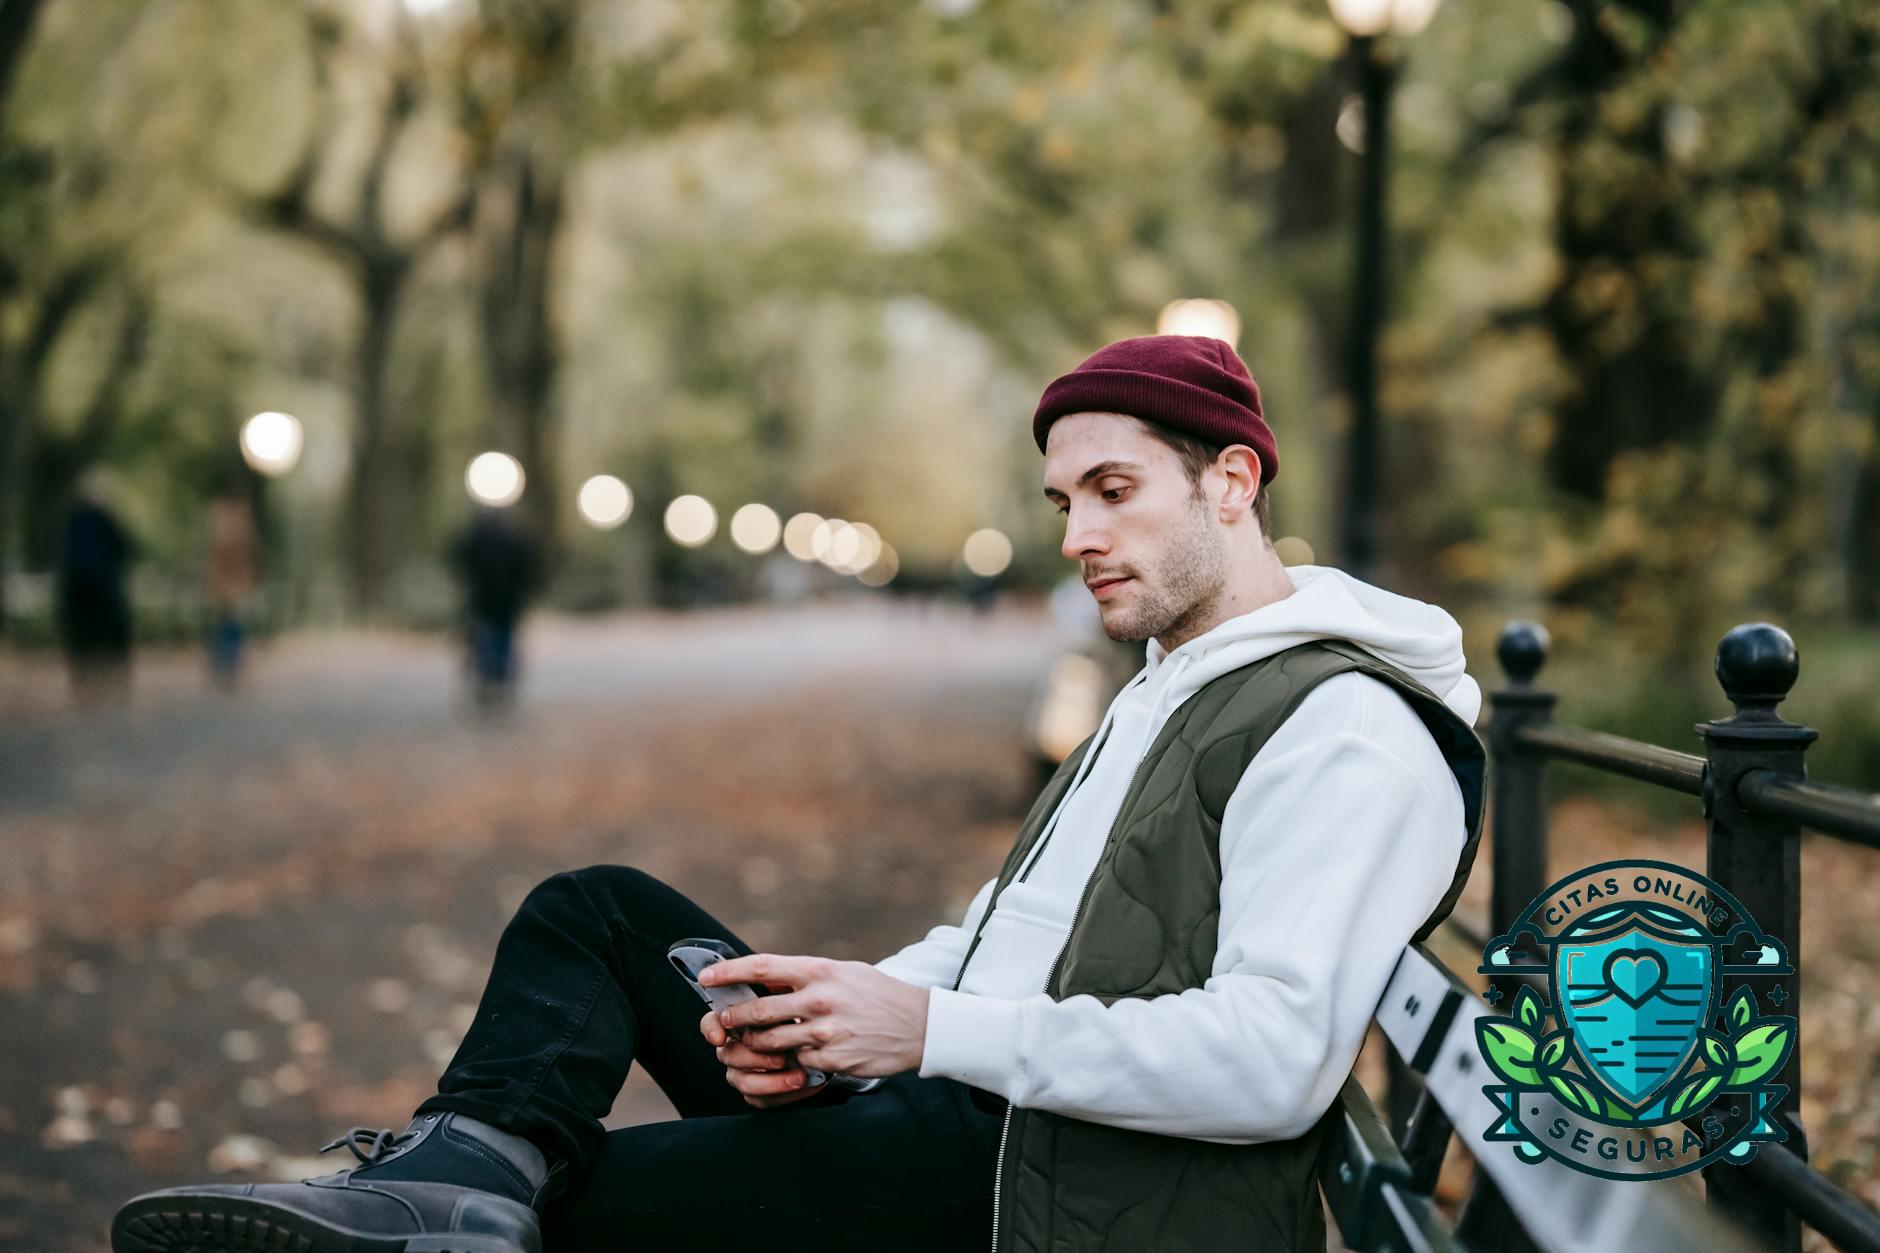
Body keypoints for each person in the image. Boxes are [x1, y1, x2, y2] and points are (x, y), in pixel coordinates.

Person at [111, 336, 1485, 1253]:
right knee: (593, 913)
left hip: (1051, 1186)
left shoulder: (1344, 728)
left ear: (1232, 483)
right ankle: (461, 1182)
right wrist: (843, 1007)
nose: (1076, 535)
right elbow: (1015, 932)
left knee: (581, 1204)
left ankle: (456, 1211)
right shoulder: (1173, 679)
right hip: (974, 1107)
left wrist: (929, 1029)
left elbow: (1267, 1061)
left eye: (1115, 491)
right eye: (1064, 497)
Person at [56, 469, 135, 705]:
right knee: (111, 632)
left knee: (82, 636)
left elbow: (64, 554)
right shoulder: (103, 519)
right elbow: (121, 549)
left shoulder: (73, 519)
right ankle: (110, 677)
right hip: (101, 586)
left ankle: (85, 682)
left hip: (77, 587)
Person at [450, 505, 540, 707]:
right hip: (505, 599)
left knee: (487, 636)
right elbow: (526, 566)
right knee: (501, 637)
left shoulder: (475, 538)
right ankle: (498, 675)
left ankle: (489, 675)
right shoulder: (514, 538)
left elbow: (460, 560)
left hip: (484, 599)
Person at [202, 485, 261, 688]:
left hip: (229, 579)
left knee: (229, 621)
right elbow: (234, 547)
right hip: (228, 579)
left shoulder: (222, 516)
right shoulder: (232, 517)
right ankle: (225, 662)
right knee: (229, 622)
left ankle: (227, 663)